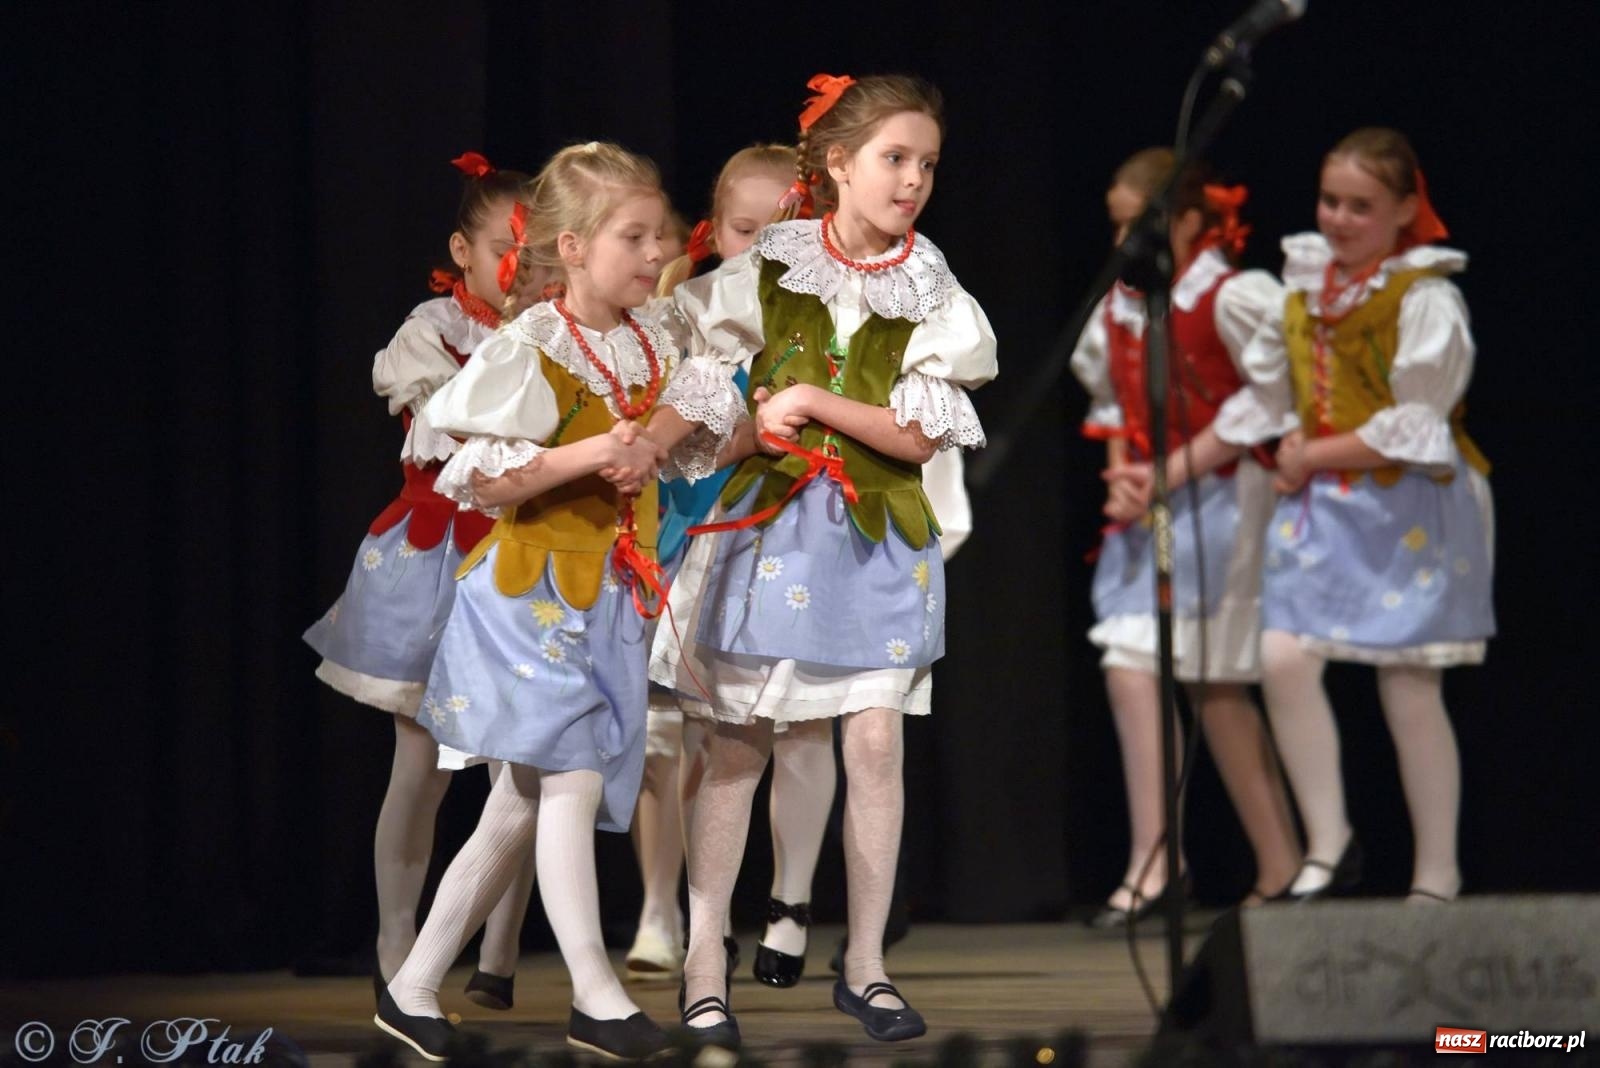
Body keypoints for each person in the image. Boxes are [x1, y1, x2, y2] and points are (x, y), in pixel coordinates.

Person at [373, 141, 746, 1062]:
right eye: (633, 236)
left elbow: (704, 420)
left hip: (613, 595)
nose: (657, 252)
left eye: (661, 234)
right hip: (528, 592)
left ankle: (413, 986)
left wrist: (672, 435)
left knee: (522, 803)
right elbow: (474, 474)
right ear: (572, 247)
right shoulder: (530, 343)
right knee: (570, 777)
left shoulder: (655, 341)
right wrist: (590, 454)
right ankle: (596, 994)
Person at [656, 73, 996, 1048]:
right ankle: (704, 955)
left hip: (879, 540)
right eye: (895, 158)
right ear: (837, 164)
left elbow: (919, 433)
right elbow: (704, 398)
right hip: (777, 535)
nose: (913, 180)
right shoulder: (771, 268)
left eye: (927, 163)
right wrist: (730, 433)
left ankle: (866, 964)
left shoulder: (935, 288)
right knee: (737, 744)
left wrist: (809, 407)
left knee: (876, 742)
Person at [1210, 128, 1493, 905]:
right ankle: (1329, 843)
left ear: (1405, 210)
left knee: (1409, 681)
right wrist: (1284, 437)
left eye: (1360, 206)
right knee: (1282, 655)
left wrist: (1312, 453)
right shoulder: (1303, 289)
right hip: (1327, 504)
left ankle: (1437, 872)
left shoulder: (1426, 296)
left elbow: (1416, 423)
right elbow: (1275, 396)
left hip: (1410, 499)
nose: (1338, 219)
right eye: (1330, 201)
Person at [303, 151, 544, 1007]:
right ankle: (397, 938)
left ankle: (498, 951)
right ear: (463, 249)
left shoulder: (557, 328)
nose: (519, 267)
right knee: (423, 762)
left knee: (524, 767)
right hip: (442, 560)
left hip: (526, 562)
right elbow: (452, 435)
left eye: (537, 248)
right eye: (502, 247)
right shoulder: (430, 330)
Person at [1069, 148, 1301, 924]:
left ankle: (1281, 863)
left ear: (1195, 220)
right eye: (1119, 224)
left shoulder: (1234, 296)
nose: (1127, 240)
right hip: (1158, 506)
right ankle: (1156, 853)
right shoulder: (1123, 307)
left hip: (1229, 496)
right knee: (1131, 661)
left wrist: (1165, 472)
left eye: (1143, 223)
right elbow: (1110, 405)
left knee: (1216, 678)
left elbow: (1265, 404)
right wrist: (1126, 480)